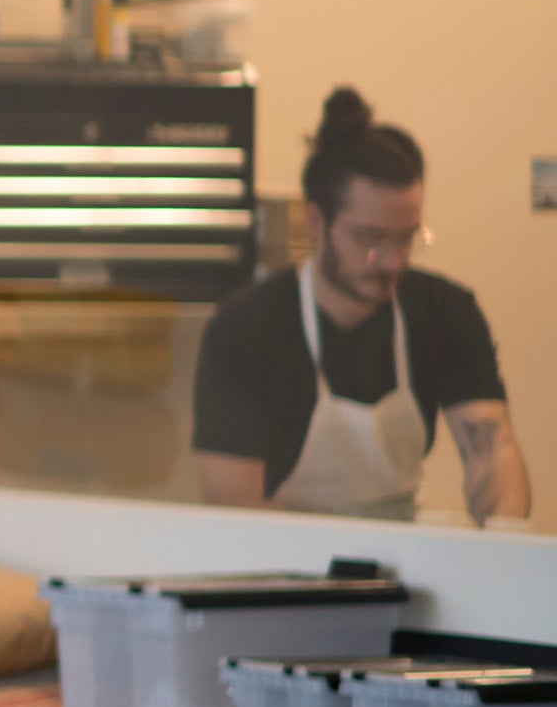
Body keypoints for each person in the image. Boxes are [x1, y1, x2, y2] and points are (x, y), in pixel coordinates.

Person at [194, 88, 530, 523]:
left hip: (403, 554)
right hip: (286, 564)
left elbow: (492, 452)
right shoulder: (247, 328)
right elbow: (233, 507)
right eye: (369, 238)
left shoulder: (445, 312)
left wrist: (504, 542)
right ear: (316, 222)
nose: (392, 261)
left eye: (406, 237)